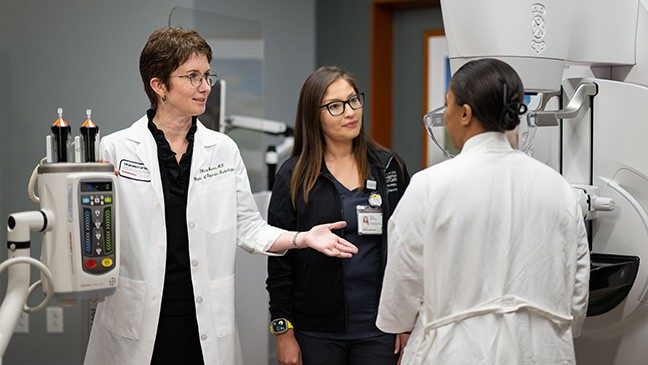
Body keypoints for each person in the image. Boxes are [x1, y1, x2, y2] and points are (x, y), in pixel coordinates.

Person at [84, 27, 358, 365]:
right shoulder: (116, 149)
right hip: (137, 319)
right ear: (159, 86)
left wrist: (302, 238)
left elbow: (248, 227)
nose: (205, 87)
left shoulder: (223, 149)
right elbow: (93, 235)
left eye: (207, 75)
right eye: (192, 77)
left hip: (203, 320)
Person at [376, 58, 590, 364]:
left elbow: (401, 285)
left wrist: (398, 323)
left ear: (465, 113)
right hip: (541, 351)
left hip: (454, 351)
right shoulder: (559, 189)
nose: (445, 116)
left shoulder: (429, 185)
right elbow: (578, 294)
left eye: (447, 105)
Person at [266, 66, 410, 365]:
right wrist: (284, 333)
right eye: (335, 106)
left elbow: (407, 249)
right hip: (316, 332)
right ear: (313, 115)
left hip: (381, 329)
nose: (350, 112)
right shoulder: (293, 176)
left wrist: (407, 321)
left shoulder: (389, 168)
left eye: (354, 100)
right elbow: (279, 261)